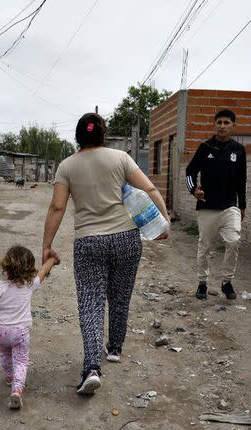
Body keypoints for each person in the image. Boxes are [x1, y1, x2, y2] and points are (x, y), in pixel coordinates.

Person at [42, 113, 170, 396]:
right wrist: (164, 221)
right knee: (120, 296)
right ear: (103, 135)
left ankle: (91, 368)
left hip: (89, 242)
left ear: (78, 137)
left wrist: (46, 245)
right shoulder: (120, 158)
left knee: (91, 302)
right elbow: (148, 188)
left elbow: (57, 208)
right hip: (126, 239)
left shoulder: (66, 166)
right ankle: (114, 349)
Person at [0, 245, 59, 409]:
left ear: (5, 265)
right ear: (29, 268)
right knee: (21, 361)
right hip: (20, 333)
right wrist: (52, 260)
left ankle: (9, 377)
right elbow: (42, 273)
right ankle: (17, 390)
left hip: (0, 332)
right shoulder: (29, 285)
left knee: (5, 355)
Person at [185, 108, 247, 300]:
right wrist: (194, 190)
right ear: (214, 125)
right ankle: (202, 283)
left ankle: (227, 282)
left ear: (233, 126)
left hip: (230, 206)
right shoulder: (205, 148)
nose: (222, 126)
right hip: (207, 206)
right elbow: (189, 172)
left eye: (226, 123)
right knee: (205, 247)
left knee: (233, 241)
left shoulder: (239, 150)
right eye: (219, 122)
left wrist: (242, 205)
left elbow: (242, 180)